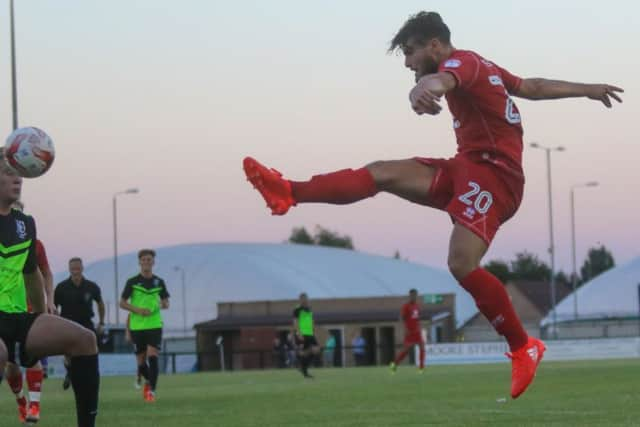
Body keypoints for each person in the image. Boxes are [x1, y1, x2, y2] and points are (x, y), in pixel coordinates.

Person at [242, 11, 623, 399]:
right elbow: (532, 86)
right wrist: (588, 88)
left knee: (460, 263)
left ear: (435, 46)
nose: (407, 61)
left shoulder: (463, 63)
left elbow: (443, 78)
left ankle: (522, 345)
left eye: (410, 52)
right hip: (467, 168)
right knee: (383, 172)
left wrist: (423, 87)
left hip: (496, 177)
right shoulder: (483, 65)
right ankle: (289, 192)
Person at [0, 151, 100, 427]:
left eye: (18, 171)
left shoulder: (25, 224)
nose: (17, 177)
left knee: (85, 339)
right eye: (8, 172)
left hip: (18, 317)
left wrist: (42, 316)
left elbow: (32, 274)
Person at [3, 200, 56, 424]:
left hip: (27, 308)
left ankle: (35, 406)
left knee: (31, 356)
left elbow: (45, 273)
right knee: (12, 366)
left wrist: (49, 300)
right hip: (5, 309)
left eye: (19, 211)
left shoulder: (36, 245)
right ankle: (21, 401)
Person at [120, 249, 170, 402]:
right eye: (144, 260)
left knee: (153, 356)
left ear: (153, 262)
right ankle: (148, 381)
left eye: (149, 260)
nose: (147, 262)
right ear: (139, 262)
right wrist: (138, 310)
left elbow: (166, 303)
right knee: (141, 363)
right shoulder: (132, 282)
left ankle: (152, 392)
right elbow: (122, 303)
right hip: (137, 326)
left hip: (154, 324)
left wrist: (156, 307)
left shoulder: (159, 282)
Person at [54, 257, 105, 391]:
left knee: (91, 352)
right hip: (67, 325)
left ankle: (92, 376)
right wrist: (57, 323)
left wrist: (102, 322)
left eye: (77, 268)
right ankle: (69, 373)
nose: (75, 271)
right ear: (69, 270)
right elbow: (53, 308)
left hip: (86, 325)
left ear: (82, 269)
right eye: (73, 269)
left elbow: (100, 304)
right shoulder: (61, 287)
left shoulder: (92, 286)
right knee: (68, 354)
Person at [390, 289, 426, 373]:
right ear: (410, 296)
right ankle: (394, 364)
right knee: (406, 350)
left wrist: (419, 327)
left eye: (415, 295)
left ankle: (421, 367)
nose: (414, 297)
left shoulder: (417, 306)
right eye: (412, 295)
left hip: (417, 332)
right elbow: (401, 318)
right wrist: (405, 329)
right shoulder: (406, 306)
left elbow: (417, 319)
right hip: (409, 332)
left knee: (422, 347)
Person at [292, 293, 320, 378]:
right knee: (304, 352)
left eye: (306, 298)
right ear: (300, 300)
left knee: (315, 350)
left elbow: (311, 320)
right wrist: (298, 333)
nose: (305, 300)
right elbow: (295, 322)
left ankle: (300, 365)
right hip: (302, 333)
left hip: (310, 333)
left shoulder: (309, 309)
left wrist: (314, 330)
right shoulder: (297, 309)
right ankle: (304, 370)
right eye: (303, 299)